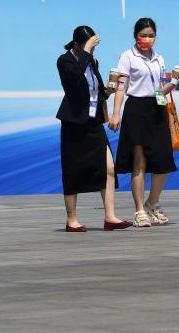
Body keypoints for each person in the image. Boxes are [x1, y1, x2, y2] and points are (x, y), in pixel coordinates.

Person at [56, 25, 131, 232]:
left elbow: (94, 91)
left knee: (108, 168)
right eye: (89, 45)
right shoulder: (65, 60)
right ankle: (72, 219)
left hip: (94, 122)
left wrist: (107, 91)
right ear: (77, 44)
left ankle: (110, 217)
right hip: (74, 122)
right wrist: (87, 52)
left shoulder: (91, 61)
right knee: (72, 170)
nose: (92, 50)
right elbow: (73, 79)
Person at [109, 18, 178, 228]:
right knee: (139, 162)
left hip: (157, 108)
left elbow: (158, 90)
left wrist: (173, 84)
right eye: (143, 35)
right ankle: (140, 210)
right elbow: (121, 87)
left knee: (164, 160)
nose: (147, 39)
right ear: (135, 35)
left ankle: (152, 202)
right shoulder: (127, 56)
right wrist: (116, 113)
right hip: (136, 109)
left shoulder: (159, 58)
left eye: (151, 35)